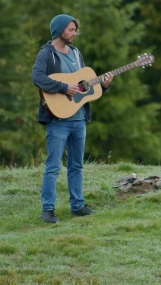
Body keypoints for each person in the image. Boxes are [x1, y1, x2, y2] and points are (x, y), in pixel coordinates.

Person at [31, 14, 112, 224]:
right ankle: (47, 210)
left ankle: (78, 206)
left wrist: (103, 85)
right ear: (59, 30)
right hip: (57, 120)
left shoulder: (76, 53)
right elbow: (37, 77)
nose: (74, 33)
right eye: (70, 30)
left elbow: (84, 87)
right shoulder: (46, 54)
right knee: (53, 166)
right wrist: (63, 87)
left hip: (79, 118)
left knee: (76, 165)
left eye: (75, 30)